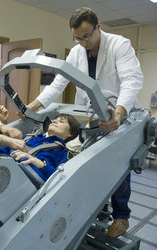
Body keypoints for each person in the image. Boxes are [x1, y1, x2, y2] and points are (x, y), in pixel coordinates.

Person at [26, 7, 143, 238]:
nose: (82, 42)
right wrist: (33, 106)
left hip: (118, 110)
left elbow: (132, 80)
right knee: (85, 157)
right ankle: (88, 207)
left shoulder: (119, 45)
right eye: (77, 38)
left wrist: (119, 112)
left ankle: (121, 215)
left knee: (117, 161)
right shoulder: (77, 52)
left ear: (98, 27)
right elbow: (59, 83)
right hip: (88, 111)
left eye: (86, 36)